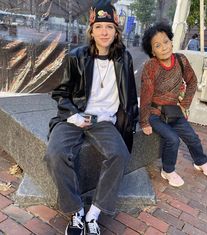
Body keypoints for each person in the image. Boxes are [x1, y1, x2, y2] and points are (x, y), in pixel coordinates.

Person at [44, 2, 138, 235]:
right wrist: (73, 116)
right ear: (92, 30)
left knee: (119, 154)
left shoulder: (124, 59)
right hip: (75, 114)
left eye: (109, 27)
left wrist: (127, 122)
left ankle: (94, 213)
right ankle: (76, 211)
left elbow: (130, 97)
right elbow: (61, 93)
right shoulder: (76, 56)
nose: (104, 32)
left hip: (104, 120)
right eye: (99, 27)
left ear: (116, 30)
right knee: (54, 154)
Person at [140, 22, 207, 188]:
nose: (164, 47)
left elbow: (192, 81)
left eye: (166, 42)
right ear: (152, 51)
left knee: (193, 138)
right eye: (158, 45)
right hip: (155, 114)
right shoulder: (151, 66)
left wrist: (184, 103)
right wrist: (144, 121)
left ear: (171, 41)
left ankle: (200, 162)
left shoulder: (181, 60)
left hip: (174, 112)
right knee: (173, 139)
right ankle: (168, 170)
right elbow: (145, 96)